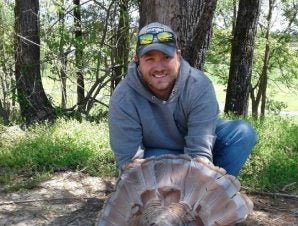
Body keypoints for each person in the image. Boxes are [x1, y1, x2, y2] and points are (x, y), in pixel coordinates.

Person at [108, 22, 257, 177]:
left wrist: (201, 169)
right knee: (151, 163)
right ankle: (161, 199)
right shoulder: (123, 97)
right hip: (155, 154)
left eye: (166, 57)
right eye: (150, 59)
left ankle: (215, 193)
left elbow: (200, 151)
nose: (159, 67)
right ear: (137, 60)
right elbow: (130, 163)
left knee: (243, 133)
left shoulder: (199, 85)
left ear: (178, 56)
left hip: (193, 151)